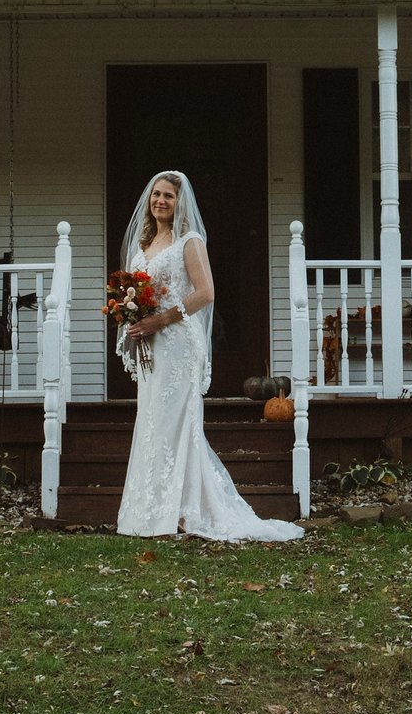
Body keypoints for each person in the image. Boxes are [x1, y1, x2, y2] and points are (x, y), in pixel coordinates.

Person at [114, 171, 304, 542]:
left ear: (179, 203)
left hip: (179, 344)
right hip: (152, 345)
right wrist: (133, 317)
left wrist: (161, 319)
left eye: (168, 196)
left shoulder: (189, 241)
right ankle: (152, 511)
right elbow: (136, 293)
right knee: (153, 423)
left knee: (176, 423)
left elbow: (206, 293)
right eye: (156, 195)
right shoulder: (143, 245)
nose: (160, 202)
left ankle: (184, 512)